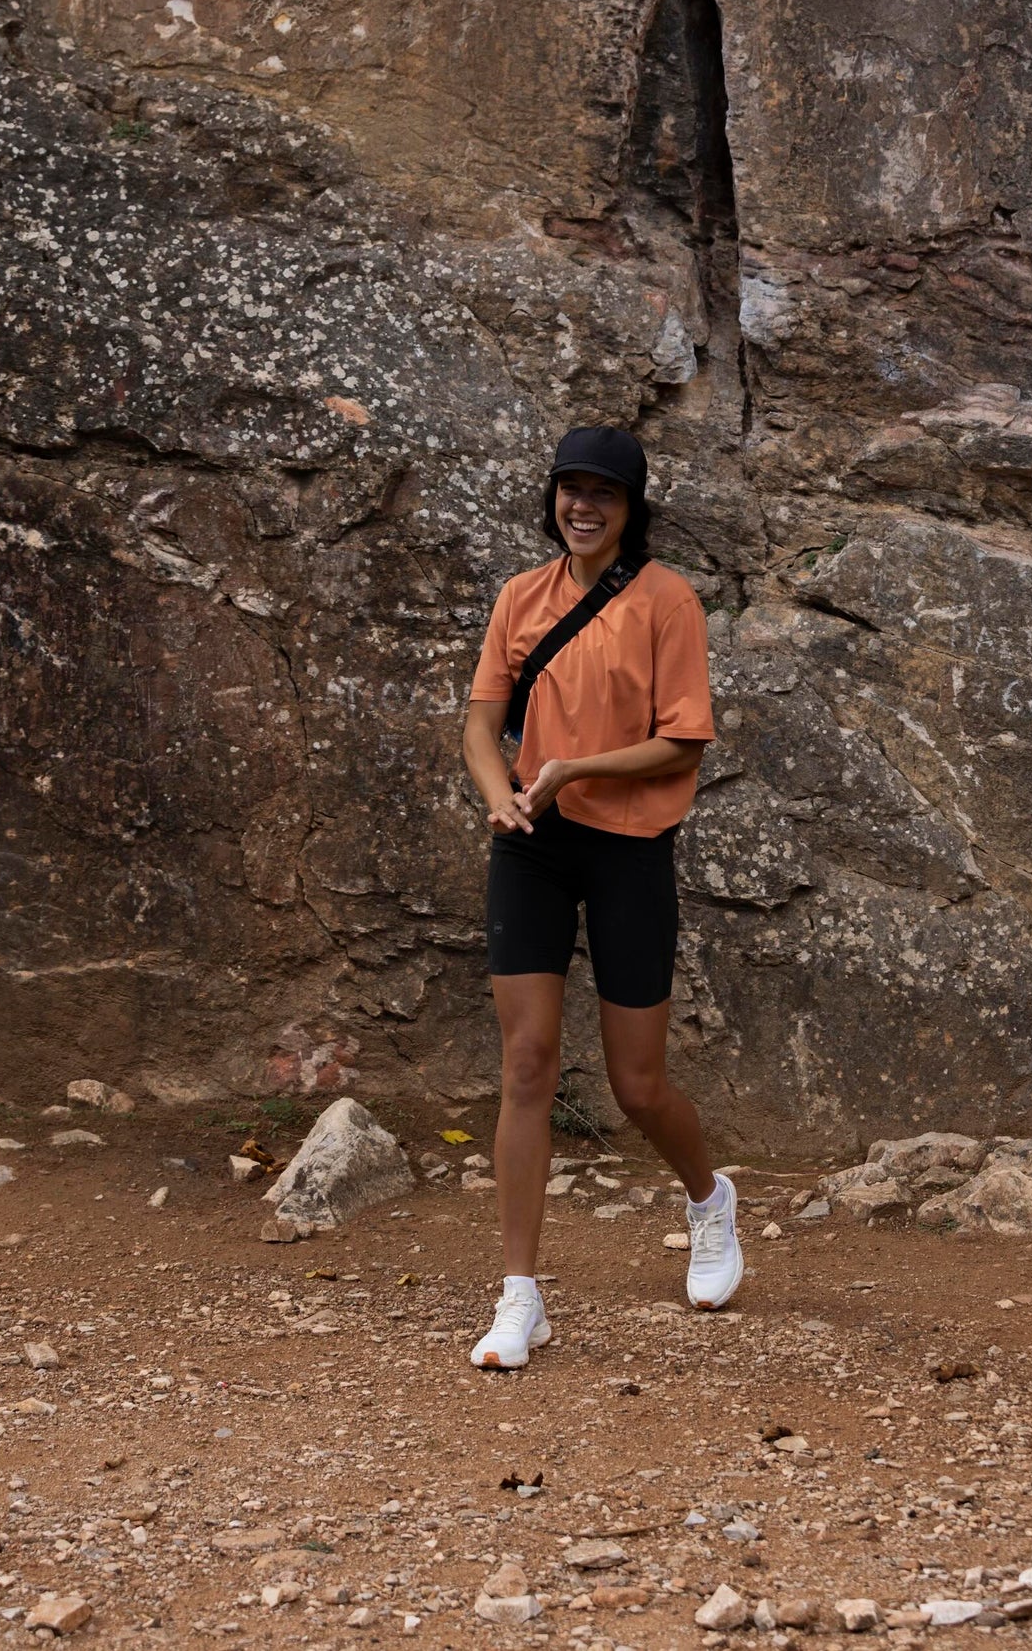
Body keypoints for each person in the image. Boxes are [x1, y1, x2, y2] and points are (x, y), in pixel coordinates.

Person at [460, 425, 744, 1367]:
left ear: (632, 507)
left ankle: (709, 1201)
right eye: (569, 490)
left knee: (637, 1084)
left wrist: (574, 767)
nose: (582, 507)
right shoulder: (520, 597)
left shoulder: (667, 602)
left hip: (628, 848)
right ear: (553, 498)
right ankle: (520, 1296)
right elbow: (480, 725)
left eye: (603, 494)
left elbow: (683, 740)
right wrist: (503, 798)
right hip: (533, 845)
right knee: (528, 1061)